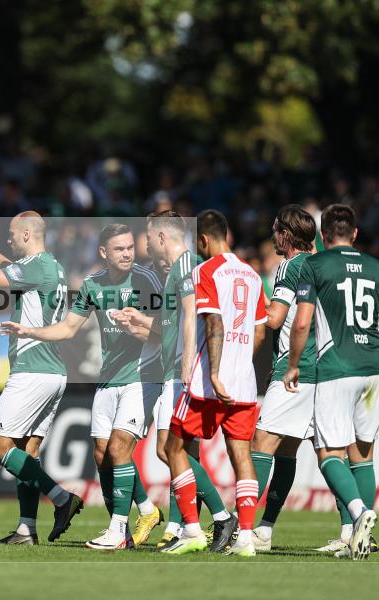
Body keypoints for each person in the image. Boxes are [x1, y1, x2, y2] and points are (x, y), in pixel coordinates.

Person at [1, 223, 163, 550]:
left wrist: (138, 326)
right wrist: (30, 332)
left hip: (142, 375)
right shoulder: (92, 284)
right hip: (108, 377)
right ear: (103, 252)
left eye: (130, 247)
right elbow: (67, 329)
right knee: (102, 453)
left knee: (119, 447)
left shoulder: (147, 280)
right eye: (119, 249)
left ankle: (118, 530)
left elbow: (167, 331)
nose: (127, 253)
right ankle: (141, 515)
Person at [284, 204, 379, 560]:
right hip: (374, 368)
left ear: (323, 234)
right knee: (363, 455)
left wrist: (293, 364)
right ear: (356, 233)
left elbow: (301, 322)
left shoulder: (315, 265)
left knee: (328, 454)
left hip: (336, 367)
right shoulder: (377, 267)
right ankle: (359, 537)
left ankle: (359, 513)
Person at [0, 214, 83, 545]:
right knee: (27, 452)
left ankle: (62, 498)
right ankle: (26, 530)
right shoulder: (52, 266)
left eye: (11, 234)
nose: (8, 239)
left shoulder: (36, 266)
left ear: (26, 234)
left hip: (31, 371)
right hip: (52, 372)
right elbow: (14, 270)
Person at [114, 211, 232, 550]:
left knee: (169, 449)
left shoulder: (185, 265)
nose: (146, 243)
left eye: (150, 237)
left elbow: (192, 319)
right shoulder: (179, 271)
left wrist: (186, 367)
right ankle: (186, 526)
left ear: (162, 237)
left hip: (181, 373)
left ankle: (221, 517)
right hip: (176, 370)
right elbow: (171, 327)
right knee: (176, 450)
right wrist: (139, 320)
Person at [163, 209, 267, 557]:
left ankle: (192, 530)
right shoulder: (253, 276)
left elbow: (215, 323)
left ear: (204, 240)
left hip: (208, 384)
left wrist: (214, 373)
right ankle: (246, 538)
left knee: (173, 448)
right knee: (242, 454)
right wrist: (238, 364)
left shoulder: (205, 271)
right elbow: (260, 331)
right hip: (244, 383)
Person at [249, 205, 318, 551]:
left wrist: (247, 297)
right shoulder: (320, 264)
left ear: (286, 235)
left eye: (276, 230)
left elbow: (275, 318)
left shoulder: (290, 266)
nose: (273, 236)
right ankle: (265, 530)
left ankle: (242, 529)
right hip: (322, 368)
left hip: (294, 368)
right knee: (289, 450)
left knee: (261, 444)